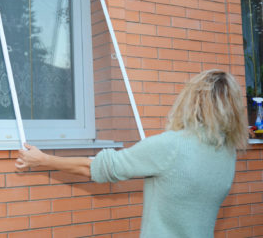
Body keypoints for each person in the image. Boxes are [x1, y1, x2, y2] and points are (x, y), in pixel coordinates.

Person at [15, 69, 248, 238]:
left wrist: (43, 159)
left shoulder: (171, 147)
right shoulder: (227, 153)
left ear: (193, 102)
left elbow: (96, 167)